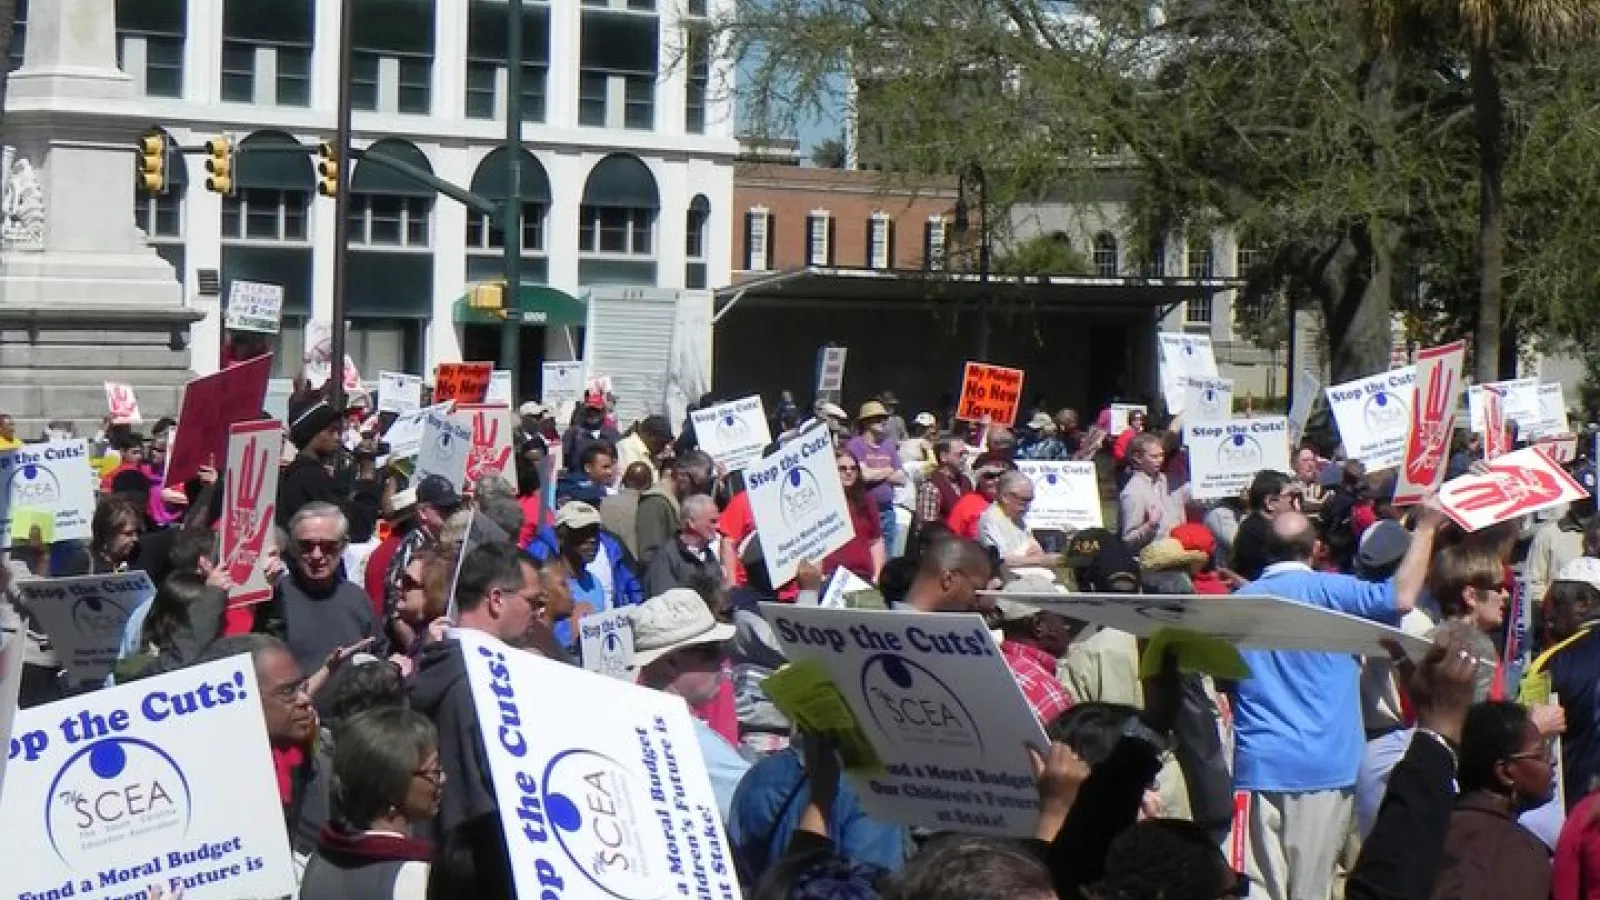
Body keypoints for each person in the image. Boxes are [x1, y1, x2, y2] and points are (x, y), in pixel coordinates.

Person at [1229, 501, 1443, 900]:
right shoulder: (1330, 589)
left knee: (1256, 891)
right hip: (1324, 766)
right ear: (1315, 551)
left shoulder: (1239, 605)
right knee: (1310, 890)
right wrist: (1427, 527)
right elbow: (1400, 598)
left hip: (1258, 762)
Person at [411, 544, 551, 841]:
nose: (539, 614)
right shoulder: (486, 683)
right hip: (478, 852)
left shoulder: (435, 662)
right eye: (533, 602)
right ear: (497, 600)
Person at [628, 588, 750, 817]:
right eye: (711, 651)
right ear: (671, 662)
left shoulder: (633, 716)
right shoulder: (690, 739)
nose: (721, 661)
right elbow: (760, 805)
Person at [299, 708, 440, 900]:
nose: (443, 778)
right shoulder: (419, 879)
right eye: (433, 771)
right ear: (392, 790)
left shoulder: (314, 863)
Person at [1431, 702, 1557, 900]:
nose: (1552, 761)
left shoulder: (1427, 832)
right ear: (1506, 772)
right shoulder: (1522, 854)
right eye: (1540, 754)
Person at [263, 503, 384, 677]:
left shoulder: (358, 599)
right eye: (307, 546)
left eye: (328, 547)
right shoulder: (274, 600)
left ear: (343, 546)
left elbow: (379, 652)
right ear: (293, 548)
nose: (316, 555)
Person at [526, 501, 643, 647]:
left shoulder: (595, 584)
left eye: (595, 532)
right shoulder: (547, 584)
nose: (592, 539)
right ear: (561, 536)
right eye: (582, 533)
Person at [280, 396, 382, 543]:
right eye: (331, 431)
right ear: (312, 433)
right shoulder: (310, 477)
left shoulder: (300, 473)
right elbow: (358, 526)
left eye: (339, 431)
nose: (338, 438)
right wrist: (367, 475)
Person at [994, 593, 1074, 727]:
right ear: (1039, 626)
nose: (1067, 626)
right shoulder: (1045, 692)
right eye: (1062, 618)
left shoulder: (991, 665)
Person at [636, 449, 715, 568]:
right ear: (680, 474)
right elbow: (649, 555)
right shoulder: (655, 503)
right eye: (696, 485)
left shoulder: (678, 500)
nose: (698, 491)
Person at [848, 400, 906, 552]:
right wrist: (887, 471)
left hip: (887, 511)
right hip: (863, 511)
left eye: (884, 418)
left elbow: (901, 478)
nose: (883, 422)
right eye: (878, 418)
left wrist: (874, 473)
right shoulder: (855, 445)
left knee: (887, 557)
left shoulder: (888, 445)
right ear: (866, 422)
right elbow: (863, 476)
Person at [978, 471, 1062, 571]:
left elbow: (1032, 548)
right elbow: (1001, 561)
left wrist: (1038, 554)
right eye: (1023, 500)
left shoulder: (1017, 518)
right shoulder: (991, 520)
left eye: (1030, 500)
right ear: (1005, 497)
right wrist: (1040, 560)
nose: (1027, 506)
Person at [643, 494, 723, 596]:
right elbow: (663, 601)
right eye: (712, 521)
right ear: (691, 523)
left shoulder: (708, 555)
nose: (718, 526)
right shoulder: (666, 557)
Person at [826, 449, 887, 583]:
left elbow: (876, 540)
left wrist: (877, 576)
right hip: (831, 576)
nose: (848, 472)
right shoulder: (823, 503)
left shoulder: (867, 501)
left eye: (853, 469)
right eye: (842, 468)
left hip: (862, 576)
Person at [1118, 433, 1186, 552]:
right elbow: (1128, 540)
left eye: (1161, 455)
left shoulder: (1167, 481)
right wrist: (1150, 525)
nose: (1160, 460)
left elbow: (1192, 496)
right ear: (1137, 458)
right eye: (1154, 456)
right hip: (1154, 560)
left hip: (1179, 552)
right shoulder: (1133, 492)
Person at [1527, 493, 1595, 612]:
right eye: (1582, 496)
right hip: (1561, 619)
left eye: (1590, 497)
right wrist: (1550, 609)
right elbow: (1533, 583)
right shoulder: (1549, 535)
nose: (1586, 501)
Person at [601, 461, 655, 560]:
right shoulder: (649, 506)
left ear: (624, 480)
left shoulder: (603, 503)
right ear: (649, 484)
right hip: (635, 567)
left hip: (608, 561)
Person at [561, 393, 622, 475]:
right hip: (578, 482)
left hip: (604, 482)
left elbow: (618, 461)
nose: (592, 413)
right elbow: (564, 460)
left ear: (603, 412)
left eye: (596, 411)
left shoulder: (612, 435)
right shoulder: (572, 433)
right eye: (589, 410)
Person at [947, 464, 1004, 541]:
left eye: (1001, 475)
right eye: (990, 476)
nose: (997, 480)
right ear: (978, 480)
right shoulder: (968, 503)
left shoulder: (1006, 501)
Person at [555, 440, 617, 507]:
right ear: (588, 468)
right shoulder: (568, 484)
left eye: (610, 467)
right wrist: (605, 493)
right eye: (605, 467)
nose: (609, 472)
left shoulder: (605, 488)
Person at [617, 414, 673, 482]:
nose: (664, 447)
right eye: (662, 443)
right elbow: (639, 482)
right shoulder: (628, 448)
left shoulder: (647, 452)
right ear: (651, 436)